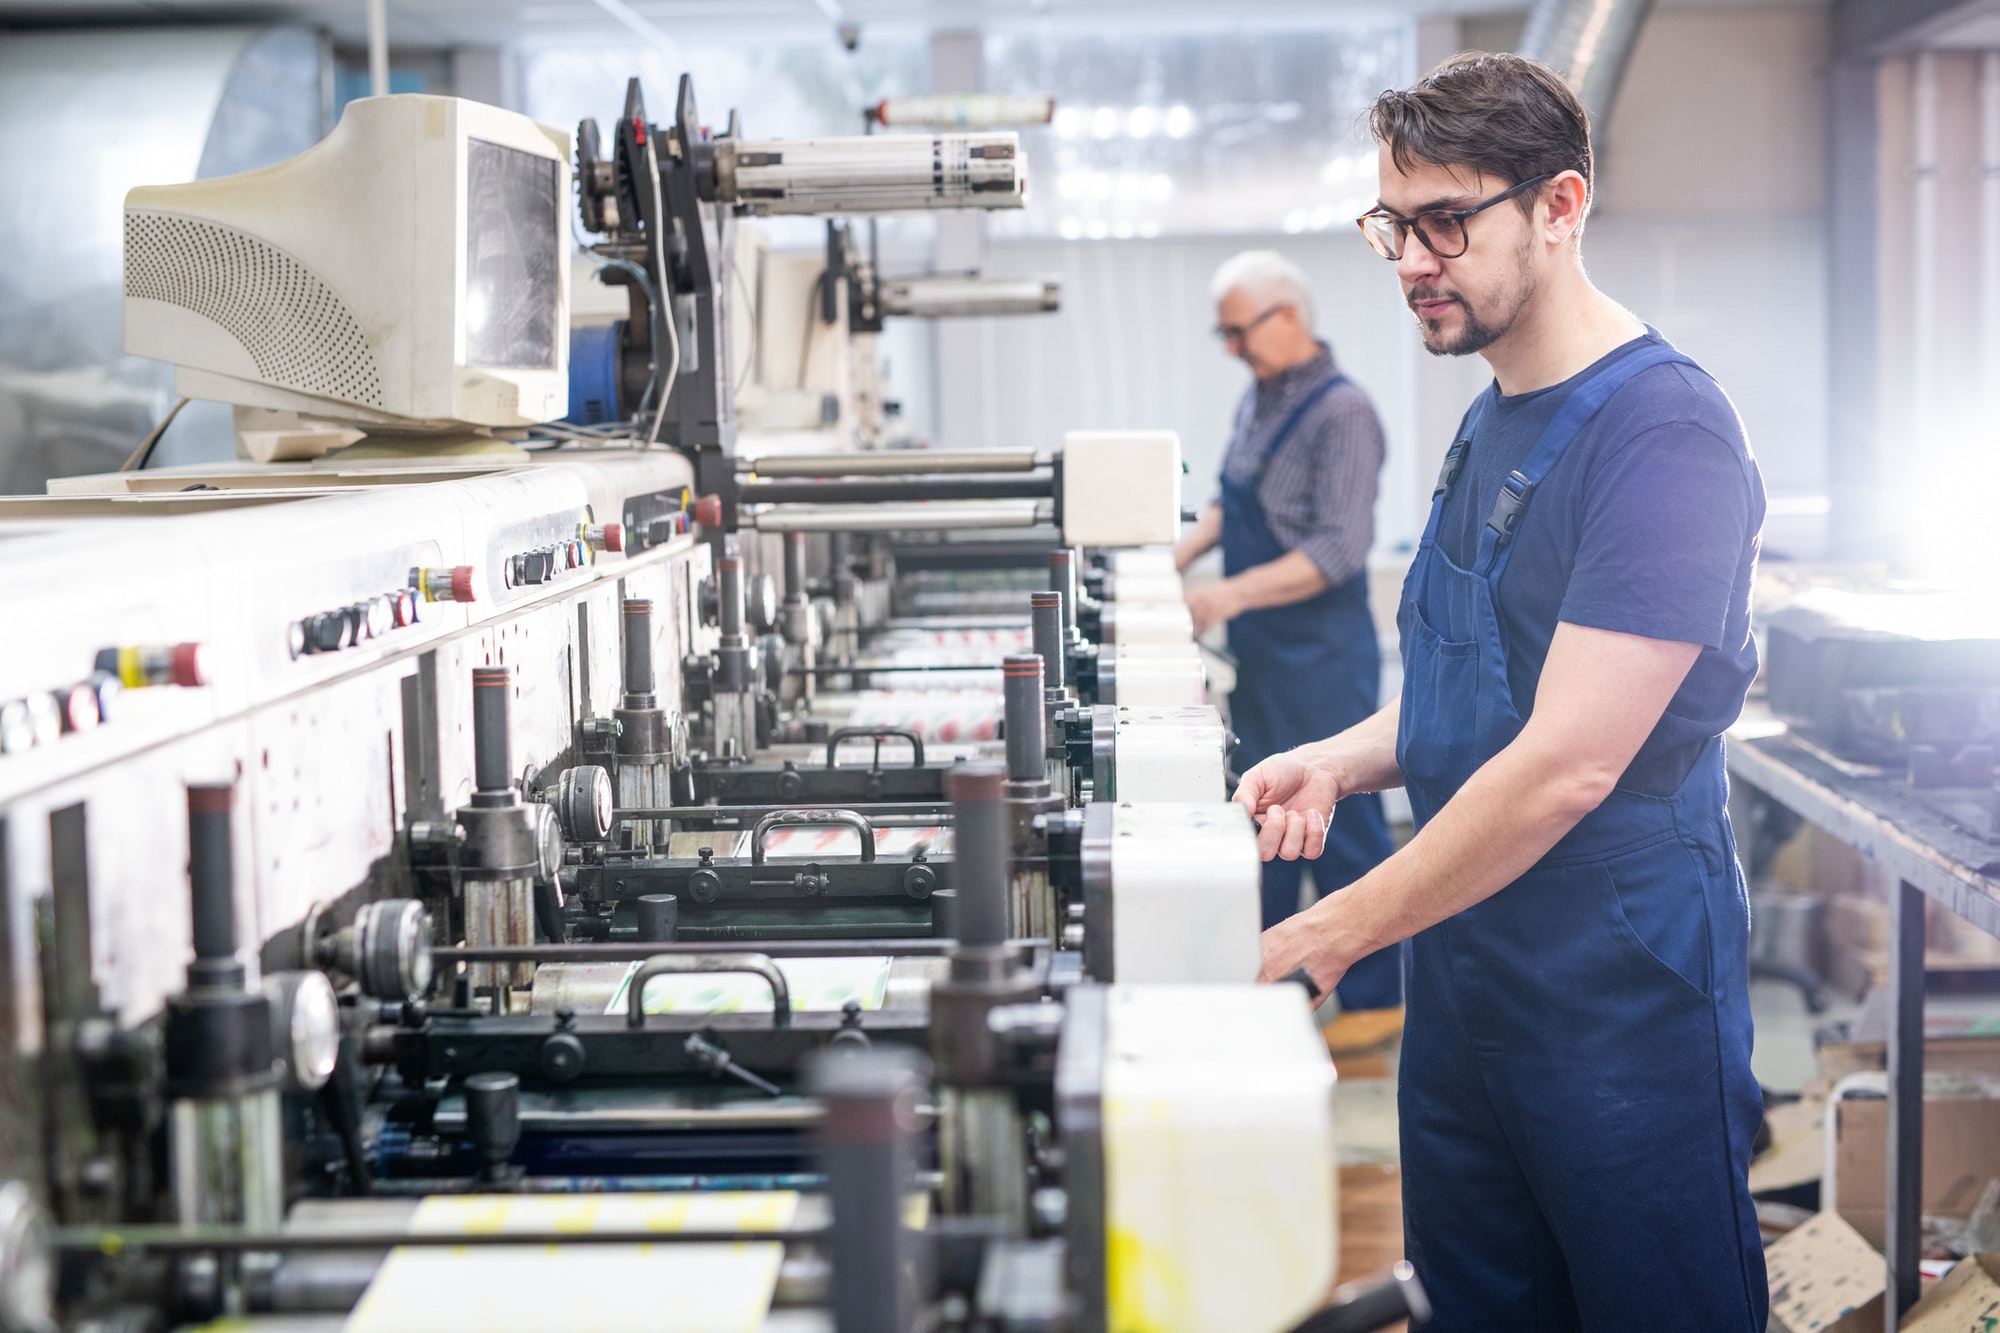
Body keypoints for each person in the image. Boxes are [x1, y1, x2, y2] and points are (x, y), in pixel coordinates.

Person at [1237, 53, 1768, 1331]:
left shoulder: (1662, 436)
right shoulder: (1492, 413)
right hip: (1468, 966)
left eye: (1445, 221)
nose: (1412, 259)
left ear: (1558, 205)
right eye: (1392, 225)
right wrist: (1347, 756)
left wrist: (1333, 924)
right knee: (1475, 1301)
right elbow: (1483, 694)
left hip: (1613, 979)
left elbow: (1570, 760)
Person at [1173, 250, 1401, 1013]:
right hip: (1267, 660)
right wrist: (1170, 560)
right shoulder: (1259, 399)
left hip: (1323, 659)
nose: (1233, 348)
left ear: (1290, 317)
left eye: (1240, 331)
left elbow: (1335, 550)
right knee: (1266, 818)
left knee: (1345, 828)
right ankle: (1273, 988)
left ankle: (1374, 1009)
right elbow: (1227, 501)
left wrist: (1223, 597)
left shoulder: (1345, 413)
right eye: (1223, 334)